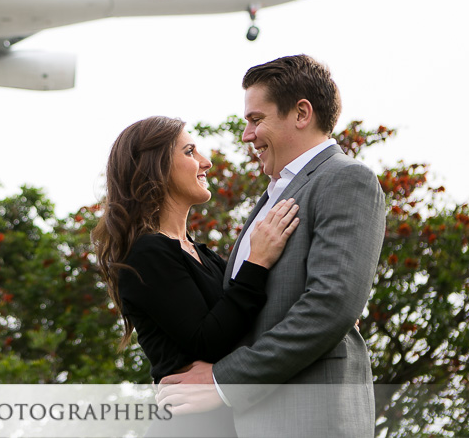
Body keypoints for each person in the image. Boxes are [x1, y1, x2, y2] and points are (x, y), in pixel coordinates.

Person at [159, 54, 387, 437]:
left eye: (256, 119)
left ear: (301, 113)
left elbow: (331, 305)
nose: (247, 135)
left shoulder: (347, 179)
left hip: (312, 420)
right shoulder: (271, 198)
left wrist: (222, 381)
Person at [93, 115, 300, 437]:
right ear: (155, 167)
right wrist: (257, 260)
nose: (205, 163)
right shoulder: (147, 253)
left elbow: (248, 317)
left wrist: (321, 307)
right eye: (190, 152)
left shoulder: (200, 253)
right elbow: (208, 339)